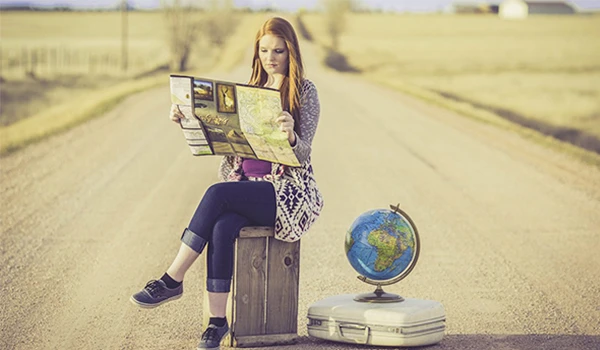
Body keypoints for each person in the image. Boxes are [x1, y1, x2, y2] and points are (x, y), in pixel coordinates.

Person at [130, 17, 323, 350]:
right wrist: (187, 118)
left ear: (291, 51)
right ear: (257, 52)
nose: (271, 57)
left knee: (216, 194)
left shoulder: (305, 92)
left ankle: (172, 279)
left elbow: (304, 152)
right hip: (246, 185)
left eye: (278, 50)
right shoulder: (249, 90)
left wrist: (291, 135)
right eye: (264, 50)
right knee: (221, 226)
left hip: (284, 195)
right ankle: (217, 323)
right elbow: (221, 137)